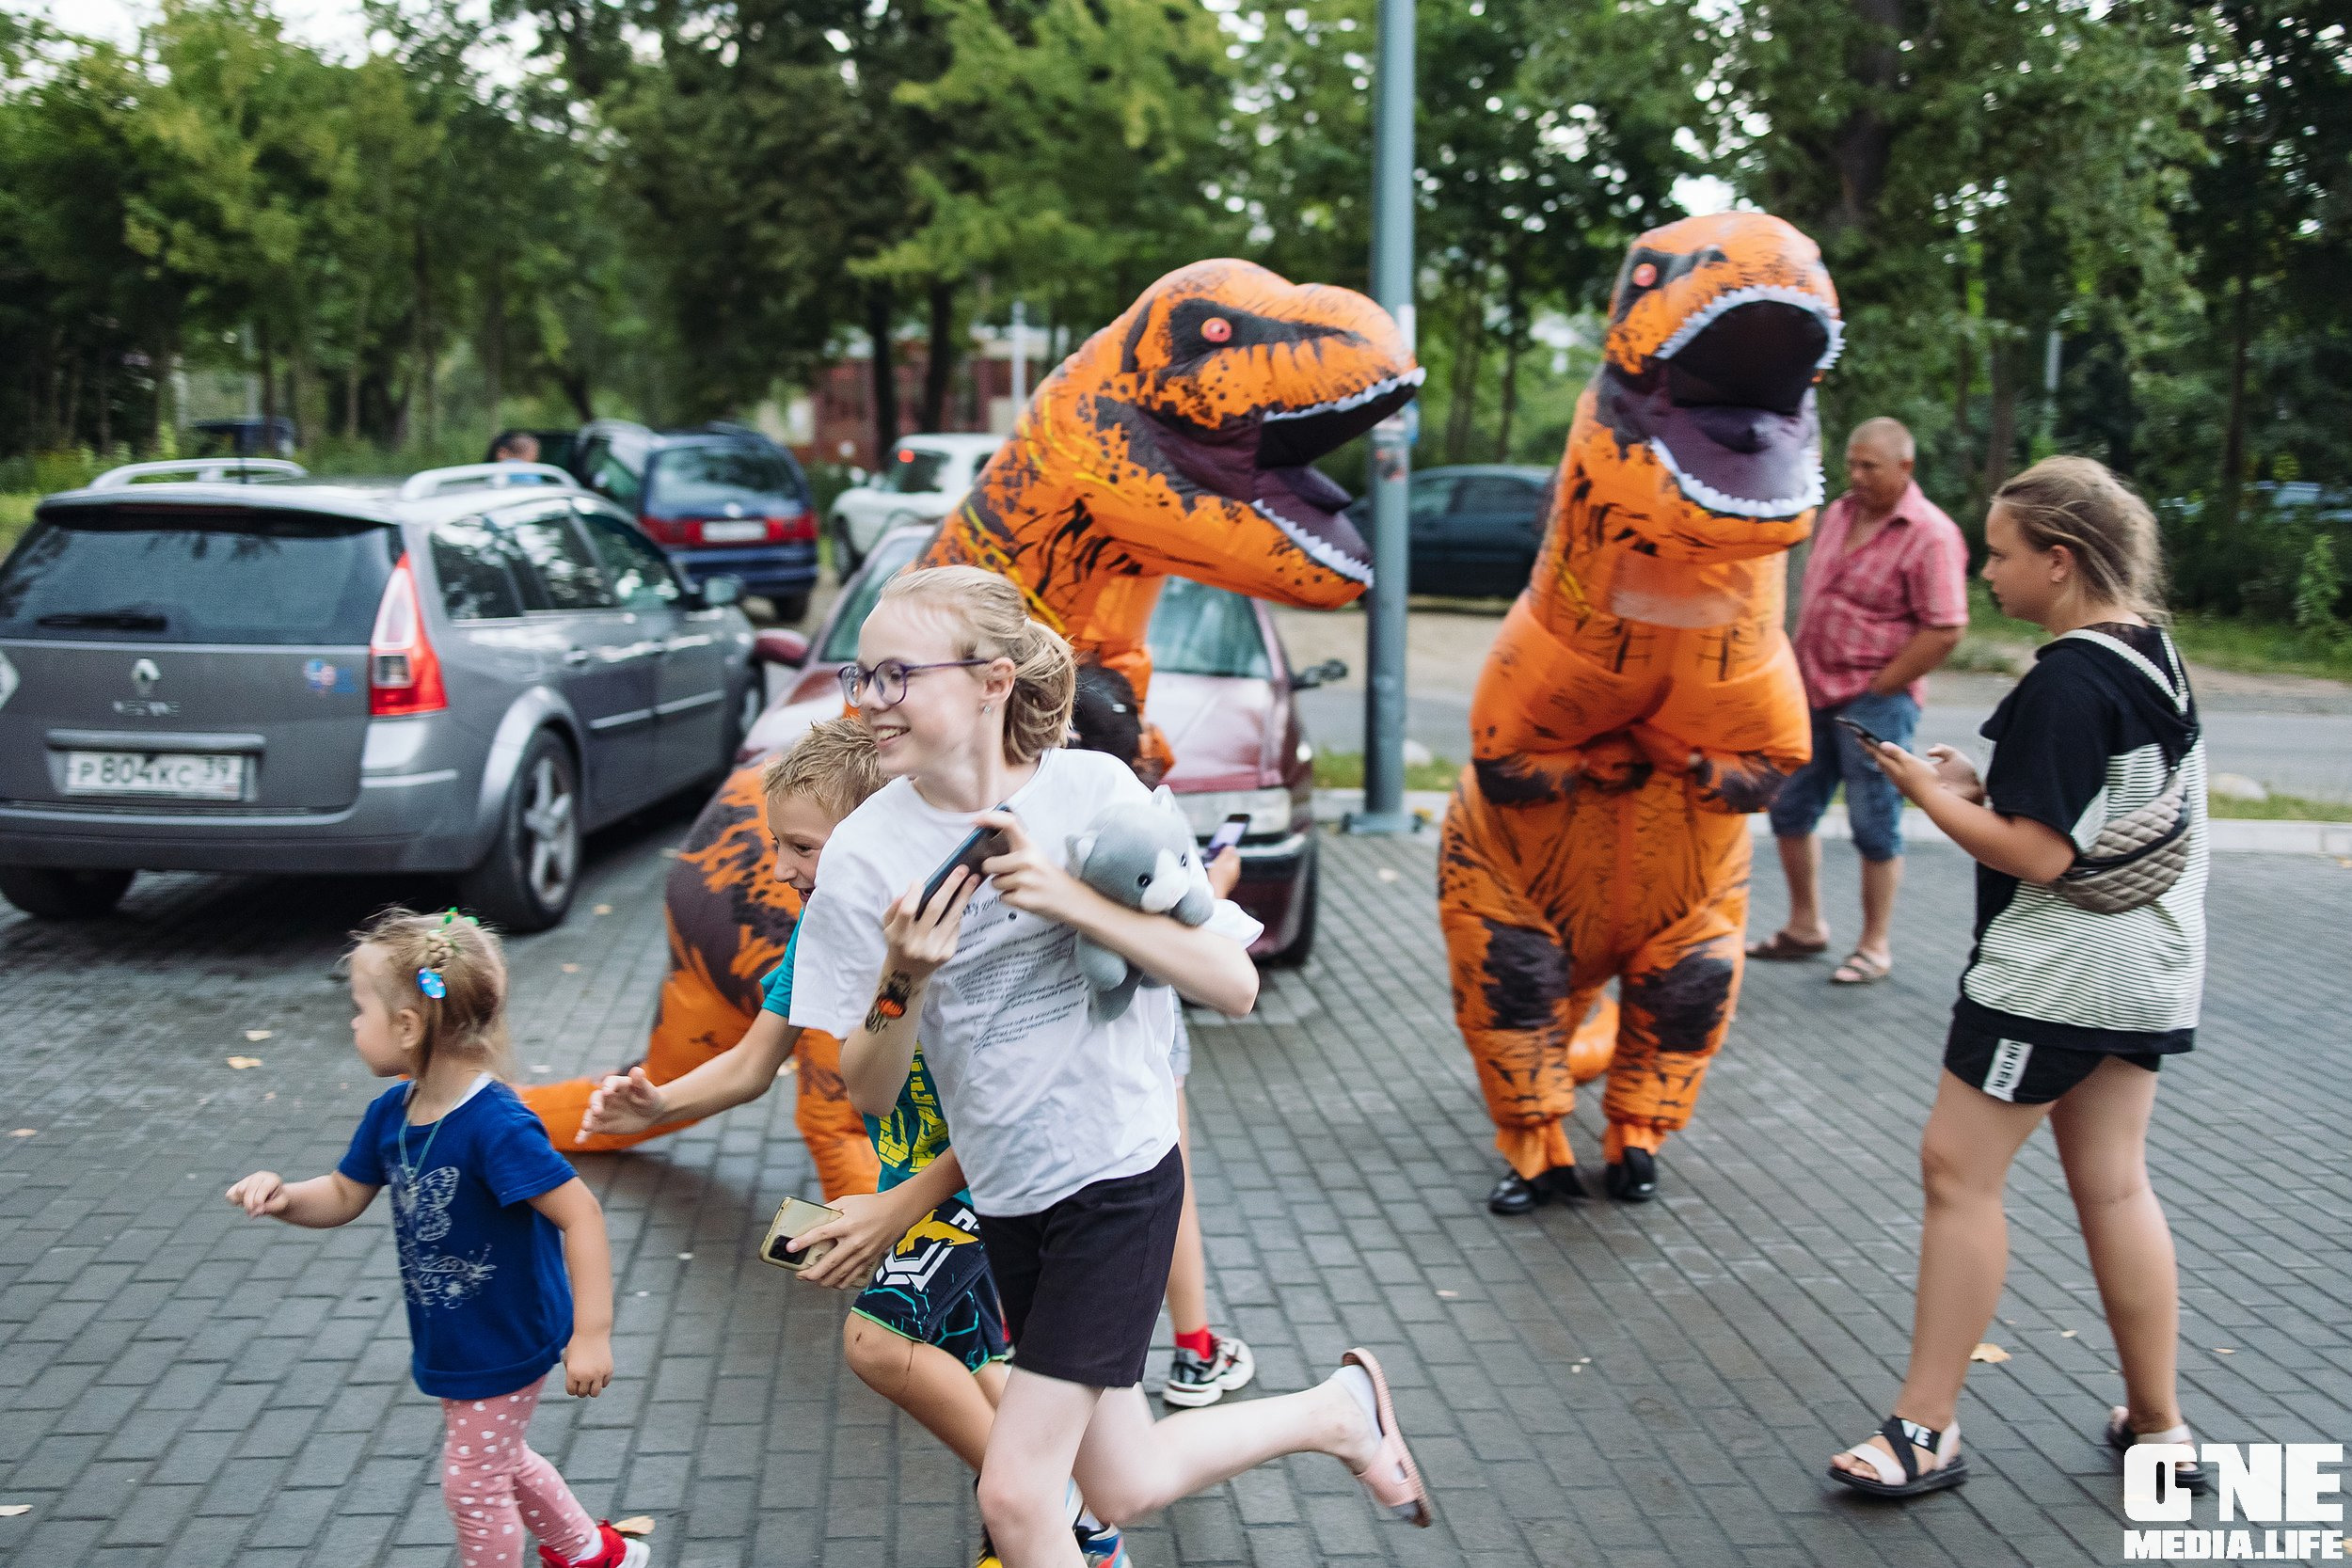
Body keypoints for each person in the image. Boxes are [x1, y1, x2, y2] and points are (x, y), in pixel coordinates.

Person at [791, 564, 1431, 1565]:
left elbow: (1232, 981)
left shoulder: (1095, 791)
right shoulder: (864, 852)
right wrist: (903, 978)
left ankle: (1337, 1414)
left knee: (1016, 1494)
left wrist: (1069, 898)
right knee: (1122, 1478)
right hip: (1009, 1197)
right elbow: (866, 1087)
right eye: (859, 676)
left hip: (1119, 1175)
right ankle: (1338, 1411)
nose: (871, 700)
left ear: (992, 679)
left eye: (896, 674)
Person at [580, 721, 1128, 1567]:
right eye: (775, 845)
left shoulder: (967, 934)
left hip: (993, 1184)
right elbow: (749, 1064)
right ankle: (1062, 1524)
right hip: (914, 1188)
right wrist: (651, 1106)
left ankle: (1053, 1519)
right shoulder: (822, 932)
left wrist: (894, 1206)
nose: (782, 867)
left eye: (801, 845)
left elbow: (1010, 1113)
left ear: (878, 832)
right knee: (974, 1355)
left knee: (881, 1340)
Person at [1825, 456, 2210, 1500]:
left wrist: (1920, 787)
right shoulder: (2149, 655)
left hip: (2052, 978)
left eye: (1999, 553)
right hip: (2146, 970)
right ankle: (2159, 1424)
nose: (1985, 570)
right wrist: (1974, 785)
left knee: (1956, 1170)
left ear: (2059, 557)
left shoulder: (2064, 679)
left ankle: (1923, 1426)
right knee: (2115, 1182)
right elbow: (2088, 807)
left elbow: (2035, 855)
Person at [227, 910, 643, 1568]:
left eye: (359, 1010)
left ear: (407, 1025)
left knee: (473, 1483)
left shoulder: (496, 1124)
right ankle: (591, 1552)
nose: (353, 1025)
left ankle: (587, 1551)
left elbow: (581, 1213)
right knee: (501, 1458)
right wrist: (283, 1198)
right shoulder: (392, 1113)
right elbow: (341, 1193)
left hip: (505, 1332)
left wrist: (591, 1333)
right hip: (454, 1332)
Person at [1067, 663, 1254, 1409]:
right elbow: (1176, 919)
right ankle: (1195, 1351)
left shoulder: (1040, 817)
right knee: (1166, 1180)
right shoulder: (1140, 810)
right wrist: (1220, 881)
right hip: (1142, 1030)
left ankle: (1021, 1341)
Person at [1751, 416, 1968, 985]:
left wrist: (1885, 685)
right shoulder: (1838, 514)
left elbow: (1945, 627)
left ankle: (1875, 945)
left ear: (1905, 467)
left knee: (1875, 822)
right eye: (1851, 463)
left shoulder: (1930, 533)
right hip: (1811, 690)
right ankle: (1805, 926)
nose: (1856, 475)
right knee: (1791, 807)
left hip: (1875, 701)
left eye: (1869, 466)